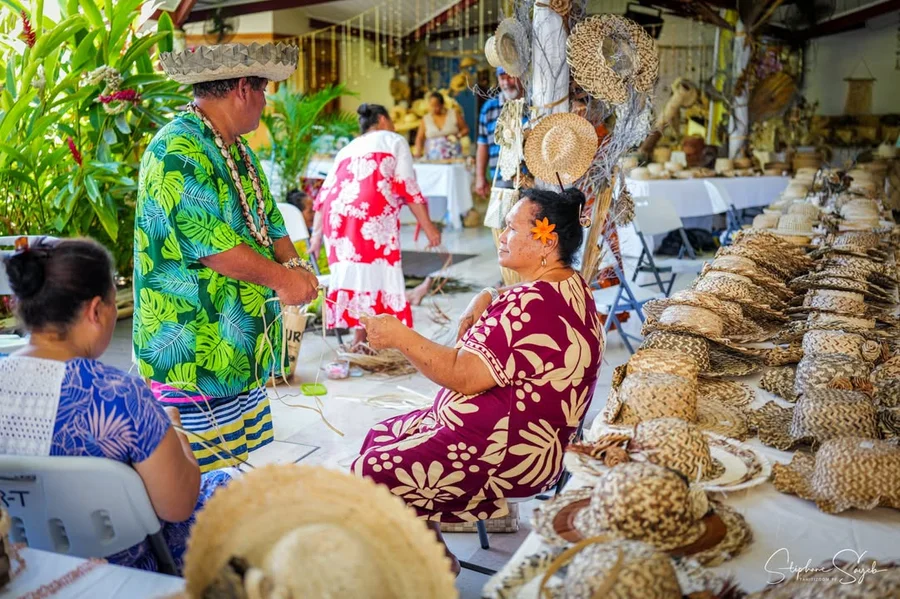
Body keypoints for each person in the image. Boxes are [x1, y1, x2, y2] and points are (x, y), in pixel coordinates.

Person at [353, 188, 603, 573]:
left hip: (508, 453)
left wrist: (399, 336)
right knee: (379, 437)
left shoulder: (531, 304)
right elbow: (519, 312)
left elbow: (462, 375)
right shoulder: (570, 286)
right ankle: (434, 554)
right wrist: (486, 295)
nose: (502, 236)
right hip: (535, 441)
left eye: (511, 228)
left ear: (546, 242)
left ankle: (418, 573)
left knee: (372, 471)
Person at [134, 43, 319, 473]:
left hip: (235, 344)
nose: (266, 102)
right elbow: (213, 248)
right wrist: (282, 280)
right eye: (263, 91)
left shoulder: (236, 149)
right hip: (193, 349)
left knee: (232, 466)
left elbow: (270, 223)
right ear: (241, 89)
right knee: (197, 477)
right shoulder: (177, 150)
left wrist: (296, 269)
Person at [0, 238, 234, 572]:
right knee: (232, 487)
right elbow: (179, 506)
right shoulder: (121, 397)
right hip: (124, 567)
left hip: (24, 563)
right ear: (96, 310)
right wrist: (176, 430)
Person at [309, 103, 442, 350]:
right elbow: (407, 186)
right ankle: (366, 339)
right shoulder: (394, 140)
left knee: (355, 274)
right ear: (382, 119)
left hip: (337, 219)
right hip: (371, 214)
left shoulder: (347, 148)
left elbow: (325, 194)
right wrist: (429, 228)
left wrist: (316, 236)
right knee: (377, 274)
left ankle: (361, 338)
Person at [475, 67, 524, 197]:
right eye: (502, 78)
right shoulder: (489, 108)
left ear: (520, 77)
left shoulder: (531, 104)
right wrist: (480, 177)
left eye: (510, 77)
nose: (506, 83)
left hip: (530, 178)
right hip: (501, 178)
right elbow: (482, 144)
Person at [414, 92, 470, 160]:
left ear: (442, 104)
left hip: (452, 154)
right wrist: (418, 152)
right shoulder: (426, 119)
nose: (434, 108)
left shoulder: (454, 114)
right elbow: (419, 138)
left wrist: (457, 136)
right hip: (432, 157)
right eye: (432, 106)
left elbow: (465, 129)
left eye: (436, 106)